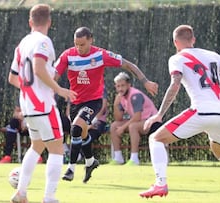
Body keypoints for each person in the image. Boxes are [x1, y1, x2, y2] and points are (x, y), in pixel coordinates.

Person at [139, 25, 220, 198]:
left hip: (201, 112)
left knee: (155, 138)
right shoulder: (213, 55)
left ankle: (160, 184)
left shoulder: (177, 58)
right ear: (193, 39)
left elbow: (175, 84)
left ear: (175, 42)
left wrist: (159, 115)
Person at [54, 26, 159, 183]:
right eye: (76, 44)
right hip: (76, 102)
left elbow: (129, 65)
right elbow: (53, 76)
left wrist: (145, 81)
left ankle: (71, 168)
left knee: (75, 128)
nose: (79, 48)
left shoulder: (101, 55)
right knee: (82, 134)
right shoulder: (67, 56)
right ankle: (90, 162)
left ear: (91, 40)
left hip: (93, 101)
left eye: (82, 44)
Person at [8, 4, 76, 203]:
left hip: (28, 106)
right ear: (49, 22)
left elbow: (13, 78)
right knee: (57, 148)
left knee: (36, 146)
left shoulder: (22, 43)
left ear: (30, 22)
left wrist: (31, 90)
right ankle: (49, 197)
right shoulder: (44, 41)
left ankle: (21, 193)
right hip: (43, 105)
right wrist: (59, 89)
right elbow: (38, 68)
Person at [110, 72, 160, 165]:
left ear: (129, 85)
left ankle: (134, 159)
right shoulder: (120, 97)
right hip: (141, 122)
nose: (120, 88)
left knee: (133, 126)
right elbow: (118, 119)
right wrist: (116, 104)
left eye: (123, 85)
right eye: (118, 86)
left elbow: (137, 117)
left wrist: (122, 128)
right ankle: (118, 158)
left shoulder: (135, 95)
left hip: (153, 122)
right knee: (114, 126)